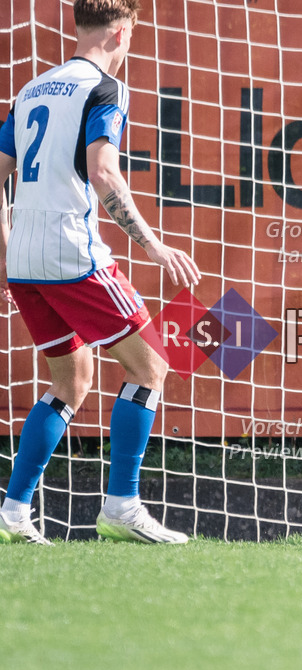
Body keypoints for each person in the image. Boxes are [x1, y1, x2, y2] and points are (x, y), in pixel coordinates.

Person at [0, 0, 201, 544]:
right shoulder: (104, 88)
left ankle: (14, 512)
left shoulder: (32, 89)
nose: (130, 45)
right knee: (152, 365)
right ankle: (121, 506)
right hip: (72, 255)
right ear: (118, 33)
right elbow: (105, 174)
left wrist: (5, 250)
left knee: (71, 381)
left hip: (25, 260)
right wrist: (156, 247)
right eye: (132, 35)